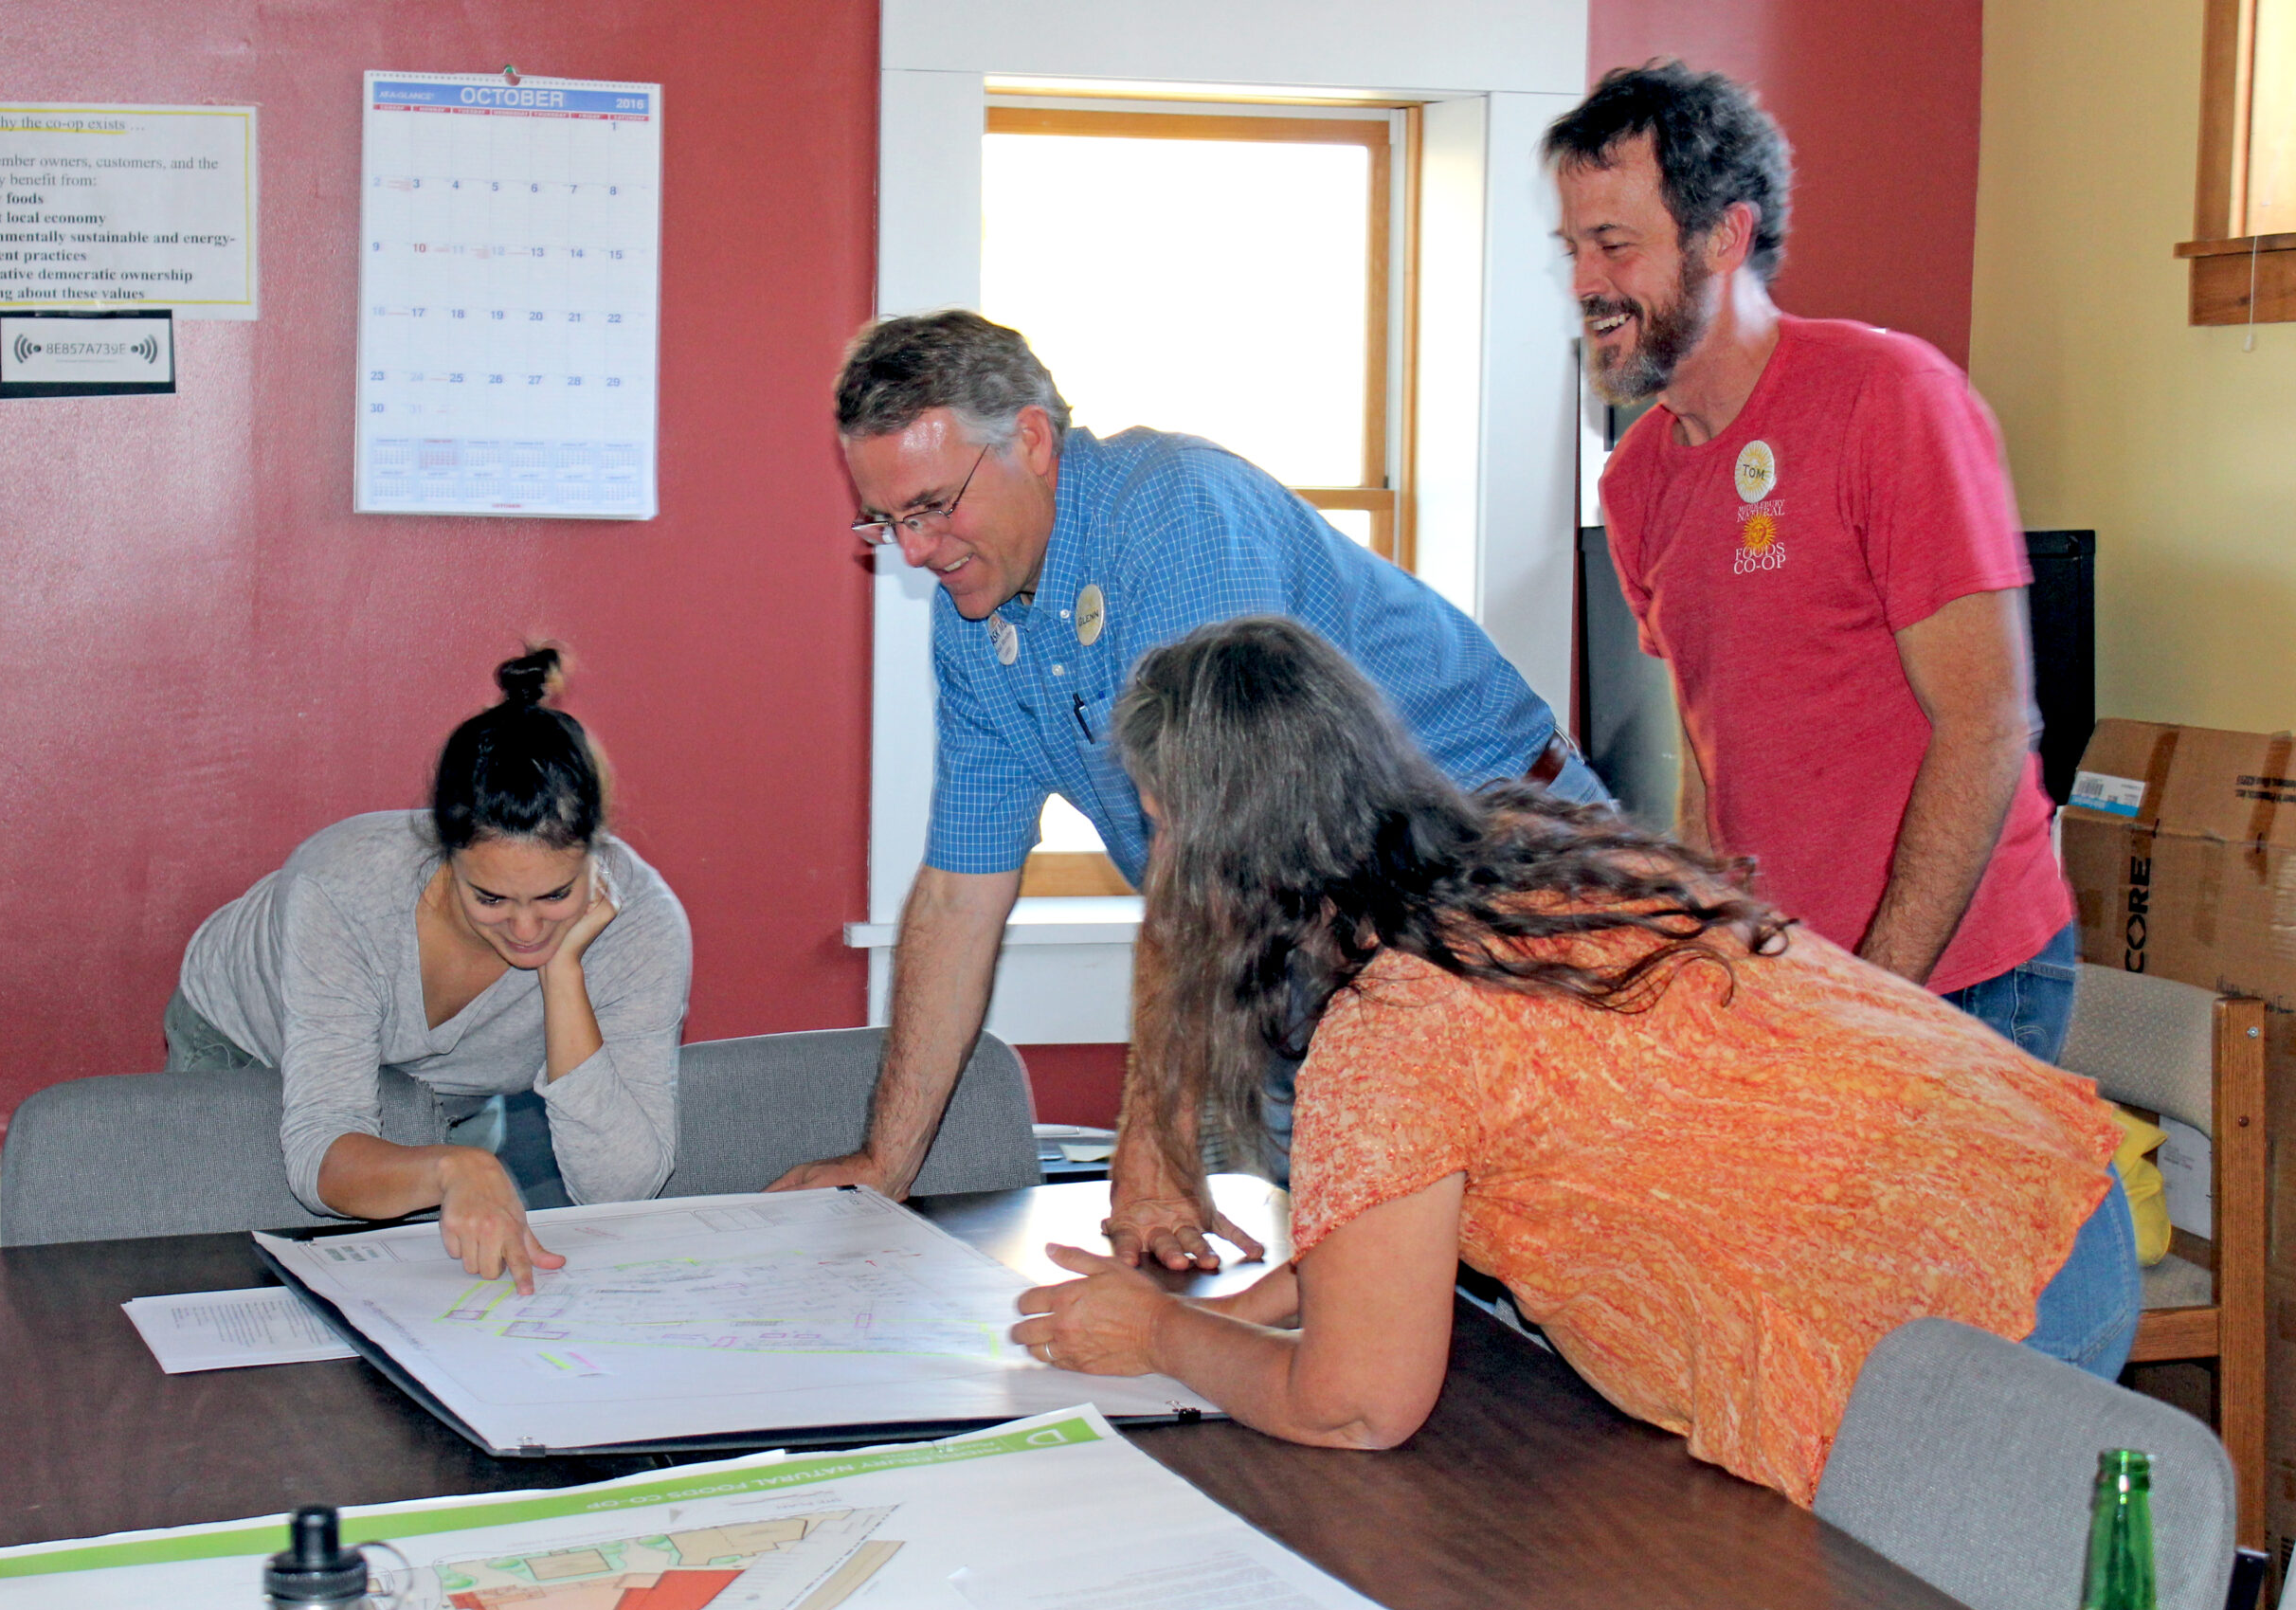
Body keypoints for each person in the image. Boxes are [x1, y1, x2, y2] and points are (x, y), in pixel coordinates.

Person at [1010, 619, 2133, 1505]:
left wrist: (1160, 1331)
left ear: (1231, 848)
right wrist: (1267, 1302)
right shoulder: (1521, 849)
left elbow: (1358, 1406)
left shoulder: (1394, 1023)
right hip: (2043, 1193)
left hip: (1956, 1307)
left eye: (1165, 832)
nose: (1159, 867)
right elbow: (1435, 1165)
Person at [768, 310, 1608, 1269]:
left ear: (1031, 442)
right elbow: (960, 890)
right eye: (886, 522)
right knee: (1356, 1269)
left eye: (930, 507)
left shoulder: (1173, 519)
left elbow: (1205, 849)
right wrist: (885, 1163)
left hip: (1498, 883)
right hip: (1308, 938)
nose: (913, 551)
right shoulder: (977, 618)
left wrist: (1156, 1147)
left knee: (1543, 1255)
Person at [1544, 63, 2080, 1060]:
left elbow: (1988, 721)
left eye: (1614, 245)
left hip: (1962, 974)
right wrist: (1712, 943)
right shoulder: (1636, 480)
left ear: (1724, 238)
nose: (1584, 284)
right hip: (1792, 976)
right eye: (1571, 249)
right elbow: (1711, 756)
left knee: (1995, 1223)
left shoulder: (1889, 395)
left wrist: (1874, 1002)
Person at [172, 648, 691, 1293]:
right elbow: (318, 1153)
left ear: (597, 853)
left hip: (449, 1087)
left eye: (555, 896)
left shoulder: (642, 924)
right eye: (491, 899)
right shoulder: (342, 890)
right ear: (443, 855)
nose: (527, 931)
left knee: (430, 1286)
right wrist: (451, 1167)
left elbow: (621, 1185)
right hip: (248, 1036)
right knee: (234, 1272)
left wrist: (564, 976)